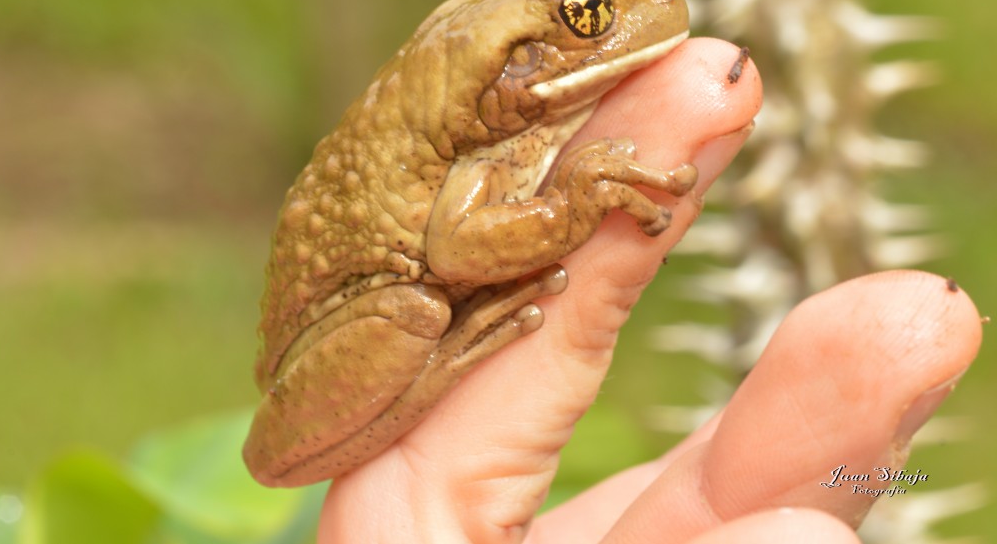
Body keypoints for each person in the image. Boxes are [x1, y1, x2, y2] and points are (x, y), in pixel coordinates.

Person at [316, 38, 983, 543]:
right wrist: (572, 208)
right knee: (420, 310)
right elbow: (456, 246)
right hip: (357, 303)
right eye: (585, 17)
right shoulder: (465, 151)